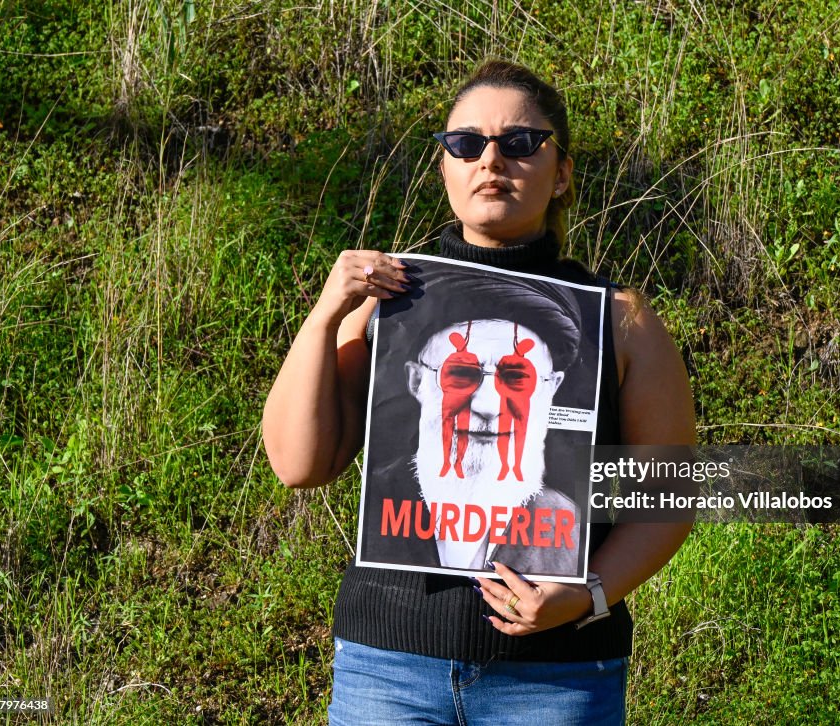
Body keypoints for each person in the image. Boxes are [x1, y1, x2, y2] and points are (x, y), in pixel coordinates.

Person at [262, 59, 696, 725]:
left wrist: (587, 597)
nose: (492, 159)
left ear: (563, 174)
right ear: (444, 169)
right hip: (389, 667)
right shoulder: (383, 303)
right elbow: (298, 464)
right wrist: (326, 314)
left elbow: (666, 501)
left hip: (558, 681)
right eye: (466, 143)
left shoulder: (622, 322)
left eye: (521, 143)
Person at [358, 264, 596, 576]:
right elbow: (296, 470)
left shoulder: (566, 520)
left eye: (516, 378)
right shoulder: (376, 501)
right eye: (459, 373)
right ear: (417, 381)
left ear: (550, 387)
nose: (487, 405)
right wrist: (327, 316)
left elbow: (669, 500)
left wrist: (594, 598)